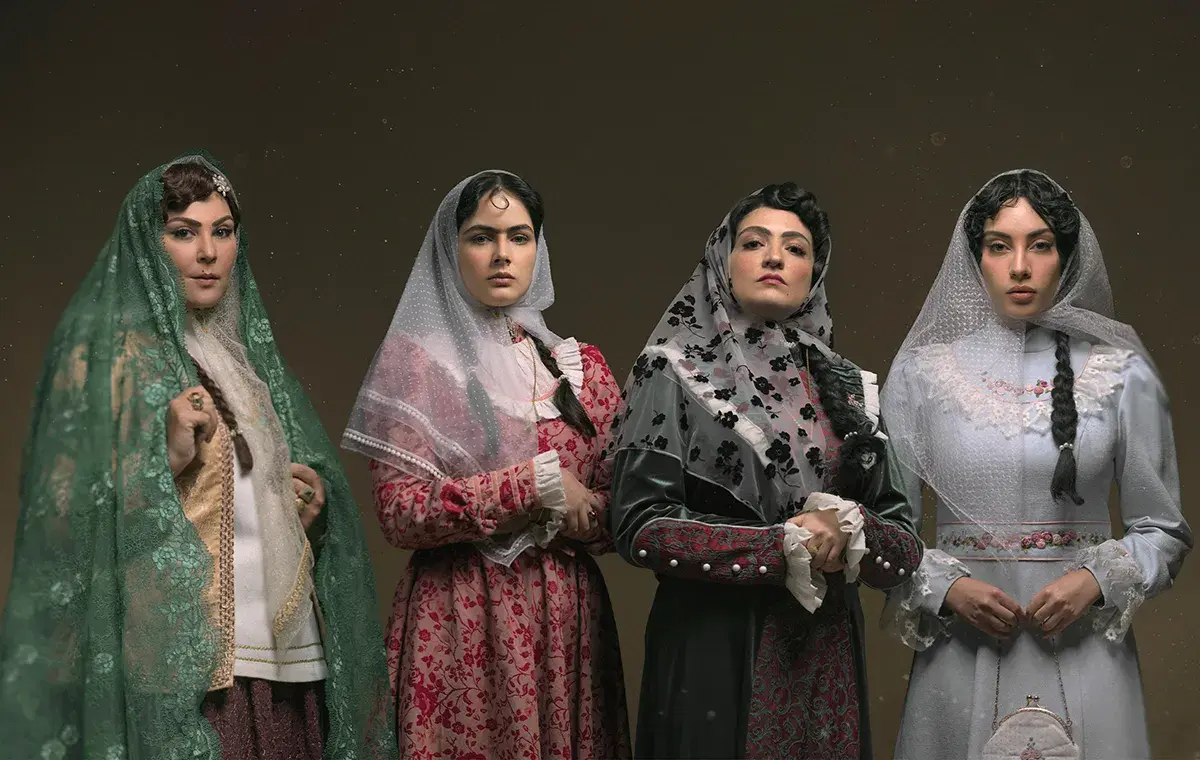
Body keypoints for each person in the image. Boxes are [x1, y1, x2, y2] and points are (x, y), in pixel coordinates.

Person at [0, 153, 395, 759]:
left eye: (223, 231)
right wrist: (163, 458)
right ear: (148, 242)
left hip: (285, 662)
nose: (208, 252)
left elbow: (252, 498)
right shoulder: (108, 362)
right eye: (183, 233)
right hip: (189, 666)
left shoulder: (248, 366)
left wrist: (302, 509)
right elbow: (60, 527)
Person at [605, 182, 923, 759]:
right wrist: (776, 547)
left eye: (795, 248)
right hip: (712, 650)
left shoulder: (849, 387)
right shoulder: (671, 372)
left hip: (824, 656)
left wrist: (849, 527)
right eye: (754, 243)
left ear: (814, 273)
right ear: (722, 260)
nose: (775, 257)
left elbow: (902, 546)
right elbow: (637, 525)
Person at [882, 169, 1192, 759]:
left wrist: (1095, 580)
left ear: (1066, 258)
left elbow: (1165, 531)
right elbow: (883, 531)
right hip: (959, 653)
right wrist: (947, 588)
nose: (1020, 267)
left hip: (1086, 652)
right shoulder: (921, 375)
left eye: (1041, 245)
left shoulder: (1121, 374)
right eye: (1000, 246)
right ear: (975, 259)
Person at [342, 170, 631, 759]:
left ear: (538, 249)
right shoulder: (419, 365)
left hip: (567, 622)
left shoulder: (581, 369)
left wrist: (582, 509)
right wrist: (531, 486)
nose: (503, 254)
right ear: (451, 250)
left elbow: (620, 511)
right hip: (461, 614)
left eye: (519, 237)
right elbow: (400, 514)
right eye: (481, 237)